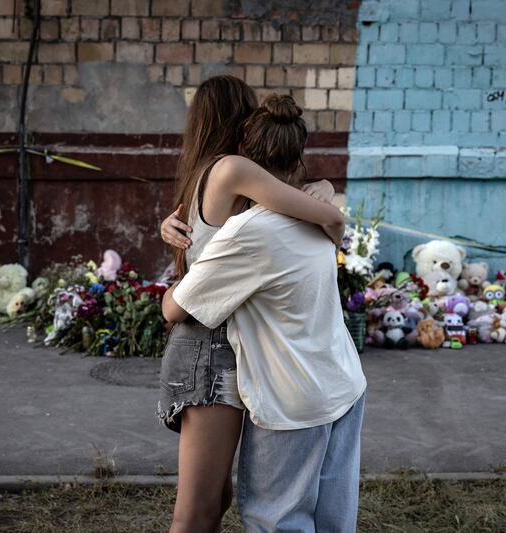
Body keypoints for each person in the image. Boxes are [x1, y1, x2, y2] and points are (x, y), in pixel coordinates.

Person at [163, 94, 367, 532]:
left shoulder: (248, 232)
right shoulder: (319, 220)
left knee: (276, 521)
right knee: (333, 522)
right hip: (343, 385)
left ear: (247, 155)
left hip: (292, 400)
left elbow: (174, 308)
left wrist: (197, 265)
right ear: (299, 159)